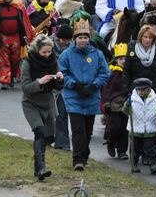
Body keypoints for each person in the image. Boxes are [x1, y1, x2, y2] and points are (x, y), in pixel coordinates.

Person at [58, 17, 110, 171]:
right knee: (78, 130)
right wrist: (75, 84)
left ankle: (84, 154)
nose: (83, 40)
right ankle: (78, 159)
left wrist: (94, 86)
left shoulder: (97, 54)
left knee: (87, 131)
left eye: (85, 37)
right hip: (74, 96)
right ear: (75, 39)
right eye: (80, 37)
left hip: (91, 96)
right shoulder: (66, 55)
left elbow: (104, 73)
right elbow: (63, 73)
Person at [20, 34, 64, 181]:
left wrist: (60, 79)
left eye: (49, 52)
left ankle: (37, 165)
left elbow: (58, 87)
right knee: (39, 132)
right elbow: (25, 88)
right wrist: (40, 82)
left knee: (49, 137)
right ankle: (41, 168)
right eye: (44, 52)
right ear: (37, 50)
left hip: (47, 102)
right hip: (31, 103)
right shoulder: (28, 63)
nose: (47, 55)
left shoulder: (53, 61)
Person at [0, 0, 35, 90]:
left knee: (15, 59)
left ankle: (12, 76)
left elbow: (25, 22)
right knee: (2, 60)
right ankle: (5, 81)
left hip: (16, 37)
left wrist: (26, 36)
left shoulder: (18, 7)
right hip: (1, 37)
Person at [124, 77, 156, 174]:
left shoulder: (154, 99)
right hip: (135, 129)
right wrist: (127, 106)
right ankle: (134, 164)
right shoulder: (132, 100)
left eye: (144, 90)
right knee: (135, 149)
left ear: (149, 89)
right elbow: (125, 111)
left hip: (149, 129)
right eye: (139, 90)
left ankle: (152, 164)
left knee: (150, 148)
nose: (141, 92)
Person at [101, 43, 129, 160]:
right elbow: (107, 89)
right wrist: (107, 103)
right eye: (120, 58)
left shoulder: (129, 73)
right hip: (114, 105)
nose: (123, 61)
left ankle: (122, 151)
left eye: (125, 58)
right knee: (115, 127)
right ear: (116, 60)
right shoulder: (113, 73)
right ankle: (111, 143)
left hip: (126, 104)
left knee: (124, 129)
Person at [50, 23, 73, 151]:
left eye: (69, 41)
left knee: (62, 112)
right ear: (58, 38)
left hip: (67, 83)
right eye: (64, 40)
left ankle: (62, 142)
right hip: (51, 82)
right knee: (50, 114)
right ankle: (47, 137)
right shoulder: (48, 45)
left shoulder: (73, 46)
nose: (66, 43)